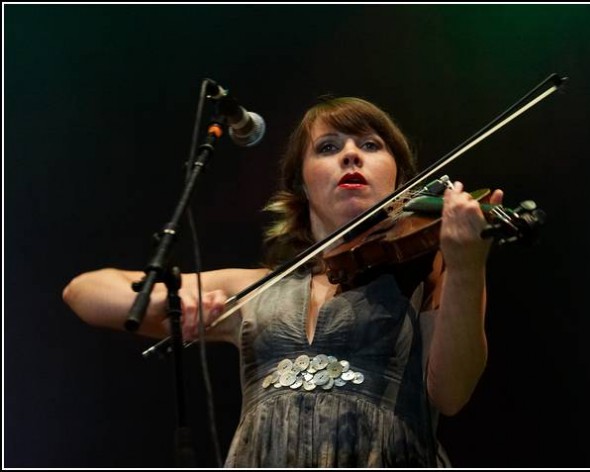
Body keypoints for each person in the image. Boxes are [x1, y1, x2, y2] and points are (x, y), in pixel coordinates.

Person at [63, 96, 504, 467]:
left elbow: (450, 393)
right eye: (328, 147)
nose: (351, 154)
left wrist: (467, 266)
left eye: (370, 144)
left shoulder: (430, 267)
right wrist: (170, 306)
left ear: (400, 181)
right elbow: (85, 291)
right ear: (301, 184)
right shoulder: (258, 286)